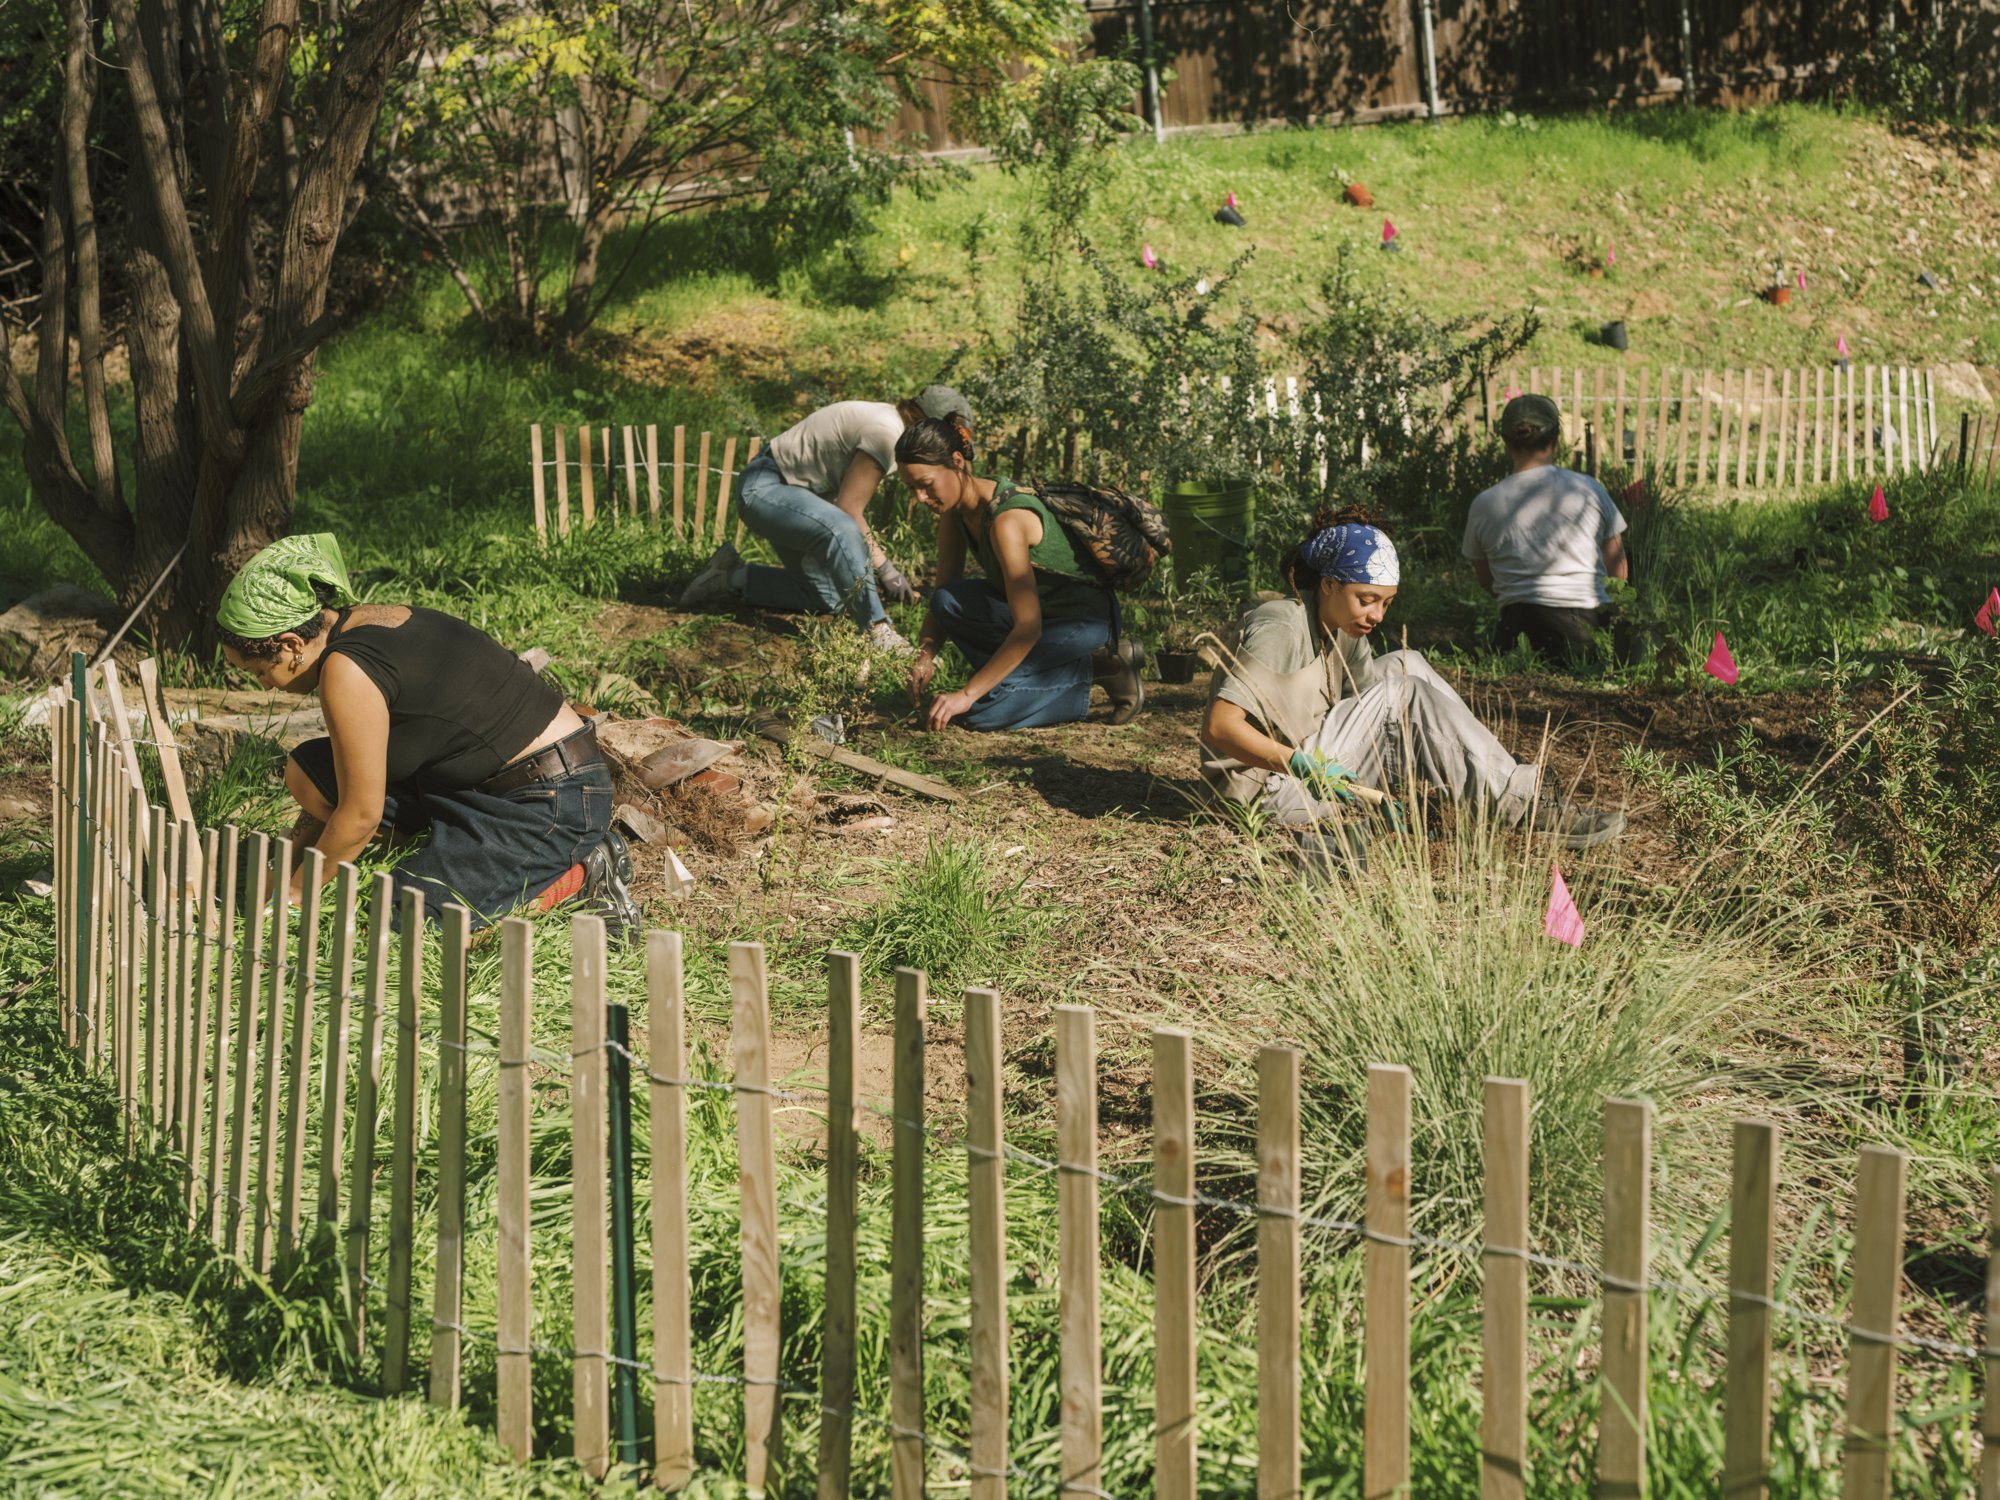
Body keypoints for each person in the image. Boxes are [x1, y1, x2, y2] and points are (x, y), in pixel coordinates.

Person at [215, 534, 640, 935]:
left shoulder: (347, 671)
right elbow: (350, 788)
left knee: (408, 928)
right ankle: (449, 860)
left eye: (259, 672)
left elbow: (361, 815)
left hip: (551, 798)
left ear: (291, 644)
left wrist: (292, 898)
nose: (265, 686)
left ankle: (583, 873)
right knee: (309, 773)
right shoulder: (367, 622)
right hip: (476, 784)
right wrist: (283, 867)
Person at [1198, 506, 1625, 847]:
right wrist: (1302, 765)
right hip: (1261, 793)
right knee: (1404, 694)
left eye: (1386, 603)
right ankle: (1520, 804)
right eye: (1366, 599)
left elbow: (1375, 713)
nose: (1377, 615)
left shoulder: (1343, 626)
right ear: (1328, 585)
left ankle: (1497, 784)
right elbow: (1221, 726)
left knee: (1409, 663)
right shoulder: (1280, 625)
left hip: (1306, 763)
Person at [675, 386, 972, 652]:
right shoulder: (887, 433)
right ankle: (877, 630)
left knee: (828, 597)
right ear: (928, 422)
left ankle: (730, 577)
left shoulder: (891, 425)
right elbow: (848, 510)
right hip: (765, 488)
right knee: (841, 528)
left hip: (796, 498)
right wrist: (886, 570)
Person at [896, 417, 1144, 731]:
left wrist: (969, 694)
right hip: (1037, 621)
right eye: (911, 488)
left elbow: (1028, 628)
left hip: (1082, 622)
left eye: (926, 484)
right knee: (946, 600)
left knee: (976, 713)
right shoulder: (954, 514)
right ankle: (1025, 680)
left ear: (957, 463)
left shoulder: (1007, 521)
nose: (919, 497)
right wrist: (925, 654)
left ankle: (1101, 667)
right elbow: (943, 590)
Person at [1461, 392, 1630, 666]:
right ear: (1556, 441)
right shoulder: (1588, 490)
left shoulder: (1484, 504)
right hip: (1585, 629)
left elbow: (1487, 580)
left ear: (1505, 443)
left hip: (1516, 631)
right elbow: (1618, 570)